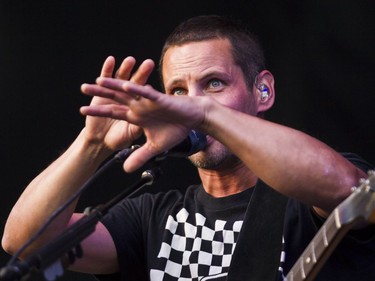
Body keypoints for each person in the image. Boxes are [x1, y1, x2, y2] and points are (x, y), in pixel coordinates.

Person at [2, 15, 375, 281]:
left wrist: (204, 113)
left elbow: (344, 186)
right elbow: (24, 242)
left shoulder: (301, 197)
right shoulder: (150, 219)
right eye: (177, 91)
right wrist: (93, 143)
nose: (189, 105)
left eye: (213, 84)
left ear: (263, 91)